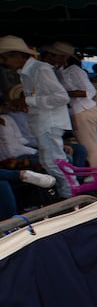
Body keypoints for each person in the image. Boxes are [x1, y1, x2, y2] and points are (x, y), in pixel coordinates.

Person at [0, 36, 71, 197]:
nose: (4, 62)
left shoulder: (40, 69)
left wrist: (27, 100)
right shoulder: (27, 72)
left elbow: (61, 97)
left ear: (16, 55)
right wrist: (24, 103)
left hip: (49, 123)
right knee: (50, 163)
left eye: (5, 58)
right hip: (42, 123)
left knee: (55, 163)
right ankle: (67, 194)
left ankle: (70, 196)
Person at [41, 41, 97, 182]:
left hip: (83, 110)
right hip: (80, 111)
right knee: (92, 145)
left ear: (61, 56)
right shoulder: (60, 71)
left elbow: (89, 91)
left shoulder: (74, 71)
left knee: (90, 146)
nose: (50, 57)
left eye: (53, 55)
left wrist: (65, 93)